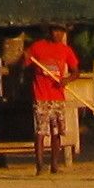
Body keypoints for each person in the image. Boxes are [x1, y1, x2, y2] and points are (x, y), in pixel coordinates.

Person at [22, 27, 81, 170]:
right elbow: (25, 64)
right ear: (49, 32)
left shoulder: (65, 50)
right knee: (40, 131)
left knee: (56, 132)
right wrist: (26, 58)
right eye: (55, 31)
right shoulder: (38, 47)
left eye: (61, 32)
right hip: (41, 96)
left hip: (58, 97)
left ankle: (54, 164)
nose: (58, 34)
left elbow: (76, 72)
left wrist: (66, 80)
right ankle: (40, 165)